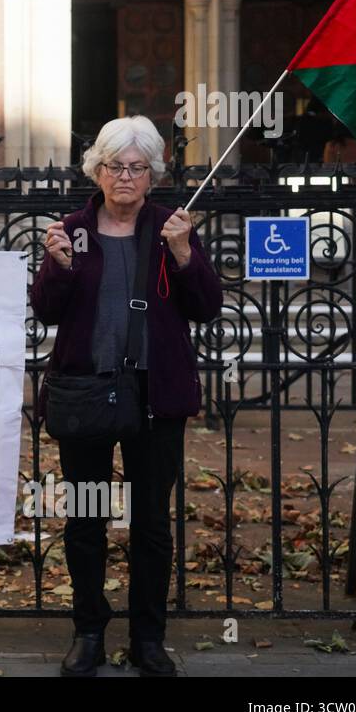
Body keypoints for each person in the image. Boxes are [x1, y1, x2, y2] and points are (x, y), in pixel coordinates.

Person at [29, 115, 222, 677]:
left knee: (151, 524)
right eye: (115, 165)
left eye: (138, 167)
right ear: (98, 169)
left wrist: (185, 255)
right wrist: (59, 266)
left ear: (153, 174)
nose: (126, 176)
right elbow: (45, 309)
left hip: (153, 398)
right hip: (86, 392)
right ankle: (88, 632)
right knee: (86, 521)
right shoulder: (73, 228)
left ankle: (148, 639)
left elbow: (206, 306)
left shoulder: (172, 228)